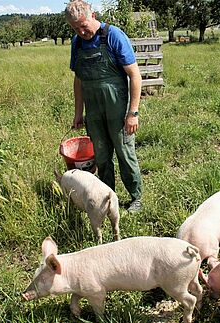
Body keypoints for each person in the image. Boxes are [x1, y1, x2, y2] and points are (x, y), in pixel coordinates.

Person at [65, 0, 143, 213]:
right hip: (94, 111)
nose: (82, 32)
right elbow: (78, 79)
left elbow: (135, 76)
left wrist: (132, 113)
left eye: (84, 25)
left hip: (117, 110)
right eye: (75, 28)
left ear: (94, 15)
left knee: (124, 154)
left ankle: (136, 198)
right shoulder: (77, 43)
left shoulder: (114, 36)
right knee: (101, 155)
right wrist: (78, 112)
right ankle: (108, 196)